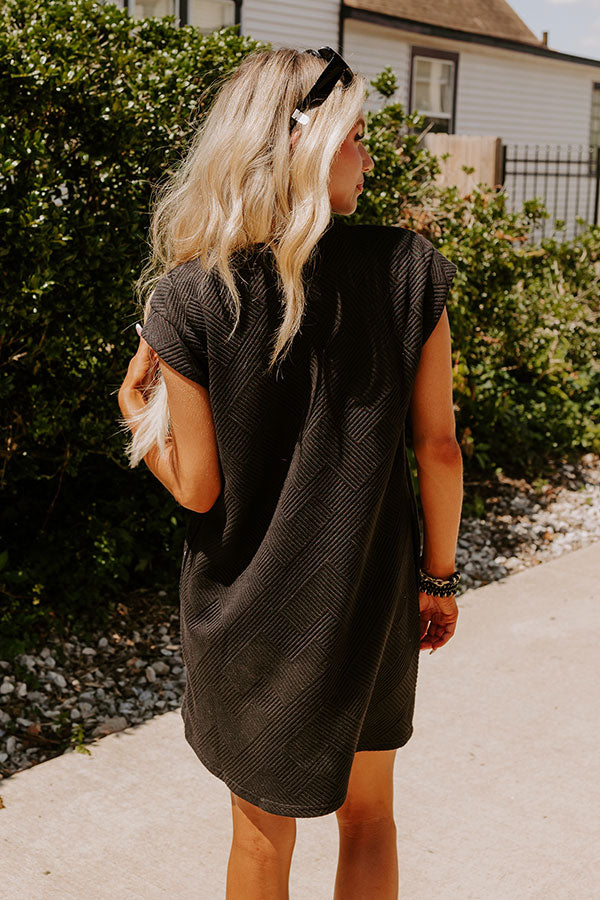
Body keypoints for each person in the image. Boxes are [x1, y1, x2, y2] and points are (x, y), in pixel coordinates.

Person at [117, 46, 463, 900]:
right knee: (370, 819)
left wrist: (132, 411)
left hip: (248, 618)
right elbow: (440, 449)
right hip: (369, 601)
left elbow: (197, 487)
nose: (369, 159)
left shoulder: (190, 295)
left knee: (260, 841)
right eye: (356, 137)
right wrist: (438, 578)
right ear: (303, 144)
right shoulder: (408, 269)